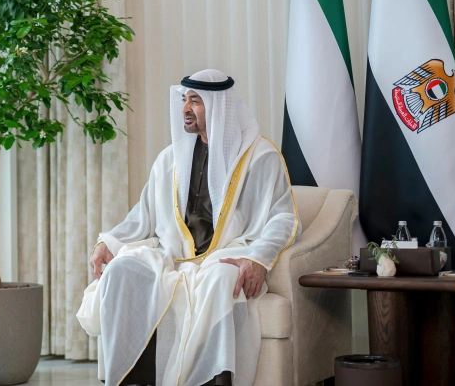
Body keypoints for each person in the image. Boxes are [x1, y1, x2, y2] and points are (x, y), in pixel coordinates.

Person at [77, 69, 299, 386]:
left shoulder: (260, 156)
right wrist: (108, 242)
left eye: (195, 101)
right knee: (123, 269)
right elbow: (144, 214)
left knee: (221, 281)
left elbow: (282, 216)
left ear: (219, 105)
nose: (185, 109)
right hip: (174, 256)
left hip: (225, 255)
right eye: (184, 100)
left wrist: (258, 258)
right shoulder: (171, 158)